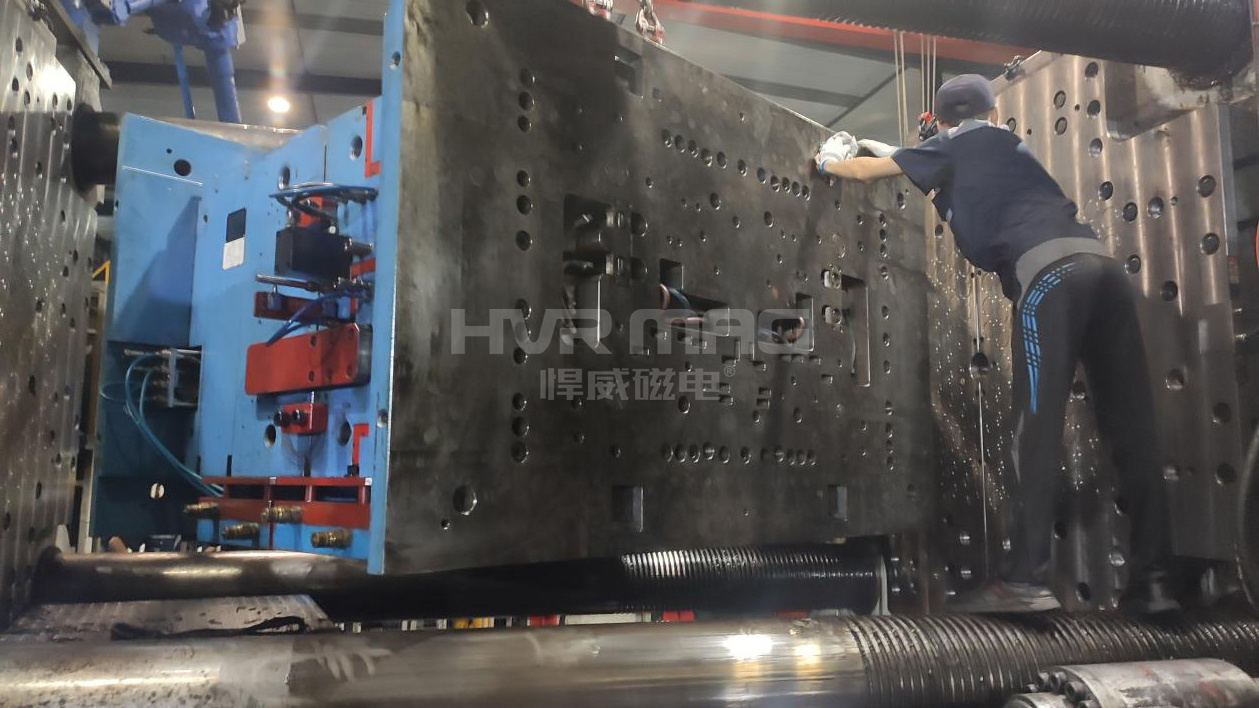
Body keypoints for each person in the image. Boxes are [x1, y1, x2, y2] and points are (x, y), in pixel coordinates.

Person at [814, 74, 1176, 614]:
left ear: (941, 120)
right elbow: (943, 164)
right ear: (991, 110)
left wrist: (828, 160)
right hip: (1104, 272)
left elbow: (865, 171)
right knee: (1133, 430)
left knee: (1035, 430)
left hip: (1048, 278)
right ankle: (1155, 583)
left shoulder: (949, 145)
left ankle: (1023, 580)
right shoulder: (1006, 144)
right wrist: (901, 154)